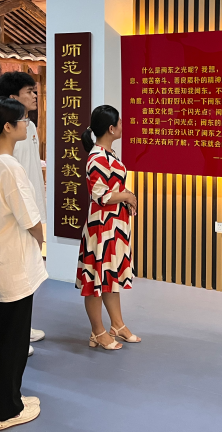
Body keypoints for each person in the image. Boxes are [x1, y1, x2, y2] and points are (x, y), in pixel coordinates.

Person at [0, 97, 46, 429]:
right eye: (23, 119)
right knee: (13, 342)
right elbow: (31, 220)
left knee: (7, 337)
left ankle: (5, 399)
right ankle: (6, 410)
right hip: (14, 266)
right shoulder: (10, 167)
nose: (27, 124)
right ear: (8, 126)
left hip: (1, 262)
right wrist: (40, 240)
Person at [77, 105, 140, 350]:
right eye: (120, 123)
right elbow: (100, 195)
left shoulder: (108, 154)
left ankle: (118, 325)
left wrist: (126, 197)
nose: (123, 126)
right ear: (111, 128)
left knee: (109, 276)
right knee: (95, 278)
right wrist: (127, 196)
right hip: (101, 227)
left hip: (114, 225)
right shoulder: (97, 158)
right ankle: (98, 331)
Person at [0, 71, 46, 345]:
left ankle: (23, 328)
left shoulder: (30, 127)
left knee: (28, 272)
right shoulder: (4, 132)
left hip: (30, 208)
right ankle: (11, 336)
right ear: (14, 97)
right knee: (13, 275)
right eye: (29, 91)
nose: (35, 95)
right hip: (15, 212)